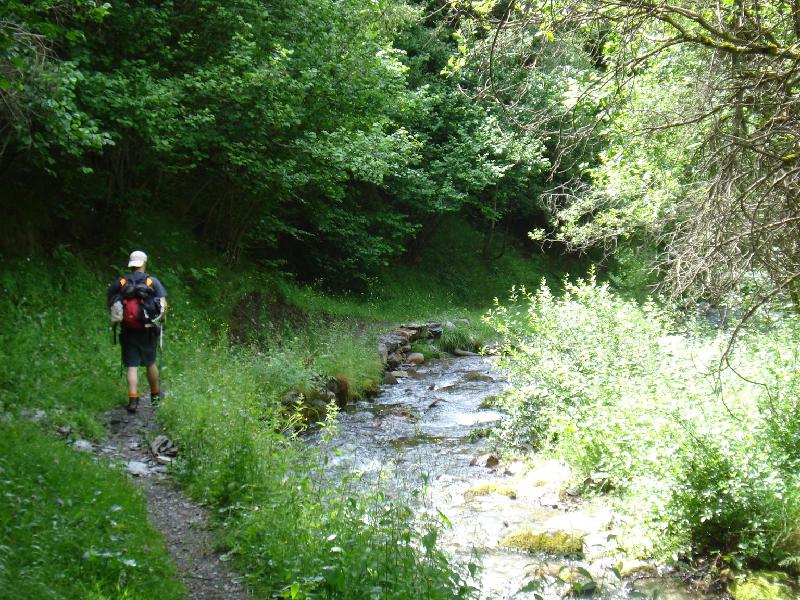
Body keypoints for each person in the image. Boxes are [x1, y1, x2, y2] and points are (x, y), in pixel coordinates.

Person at [107, 250, 168, 413]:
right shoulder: (152, 281)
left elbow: (110, 301)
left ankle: (133, 399)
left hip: (128, 330)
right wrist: (162, 321)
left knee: (132, 366)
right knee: (150, 363)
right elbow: (163, 304)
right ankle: (155, 397)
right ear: (145, 263)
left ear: (131, 264)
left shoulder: (121, 282)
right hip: (148, 330)